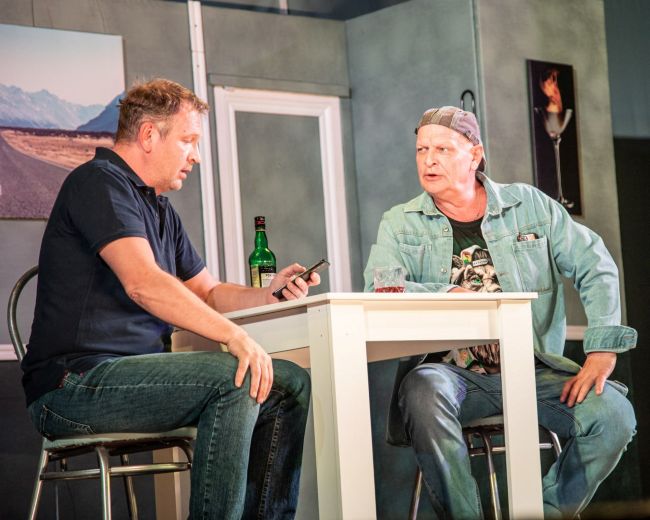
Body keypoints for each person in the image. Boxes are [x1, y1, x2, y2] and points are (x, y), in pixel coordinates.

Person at [21, 78, 318, 520]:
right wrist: (234, 336)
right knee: (237, 377)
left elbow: (209, 292)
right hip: (73, 386)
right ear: (148, 135)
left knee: (289, 383)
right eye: (188, 140)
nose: (195, 155)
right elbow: (143, 282)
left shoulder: (160, 209)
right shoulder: (97, 183)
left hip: (132, 377)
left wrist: (267, 293)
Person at [364, 106, 637, 519]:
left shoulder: (530, 206)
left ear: (474, 155)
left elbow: (594, 265)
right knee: (422, 389)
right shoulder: (400, 223)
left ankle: (547, 512)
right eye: (421, 150)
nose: (429, 160)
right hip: (451, 377)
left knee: (614, 416)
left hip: (533, 369)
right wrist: (448, 293)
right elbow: (379, 290)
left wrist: (602, 349)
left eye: (442, 149)